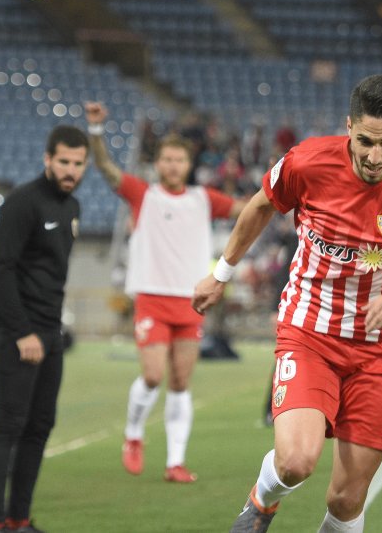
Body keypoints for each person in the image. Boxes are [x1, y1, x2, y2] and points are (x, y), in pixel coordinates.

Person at [193, 75, 382, 533]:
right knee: (296, 461)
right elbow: (261, 206)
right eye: (364, 141)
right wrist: (220, 273)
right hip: (310, 332)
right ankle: (261, 502)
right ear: (348, 127)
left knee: (346, 498)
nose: (375, 157)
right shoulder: (307, 162)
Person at [84, 101, 247, 484]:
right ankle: (134, 434)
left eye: (179, 159)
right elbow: (107, 169)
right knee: (154, 376)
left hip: (191, 301)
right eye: (167, 159)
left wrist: (285, 185)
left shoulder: (204, 199)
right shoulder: (143, 194)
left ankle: (175, 461)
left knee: (180, 381)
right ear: (157, 163)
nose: (173, 165)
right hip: (153, 298)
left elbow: (247, 207)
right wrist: (95, 133)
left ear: (189, 164)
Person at [0, 125, 89, 533]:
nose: (70, 170)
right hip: (15, 332)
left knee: (40, 426)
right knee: (8, 425)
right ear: (47, 159)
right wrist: (22, 331)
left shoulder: (73, 206)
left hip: (50, 331)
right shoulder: (22, 204)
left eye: (78, 164)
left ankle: (18, 520)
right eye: (63, 161)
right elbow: (1, 271)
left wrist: (46, 332)